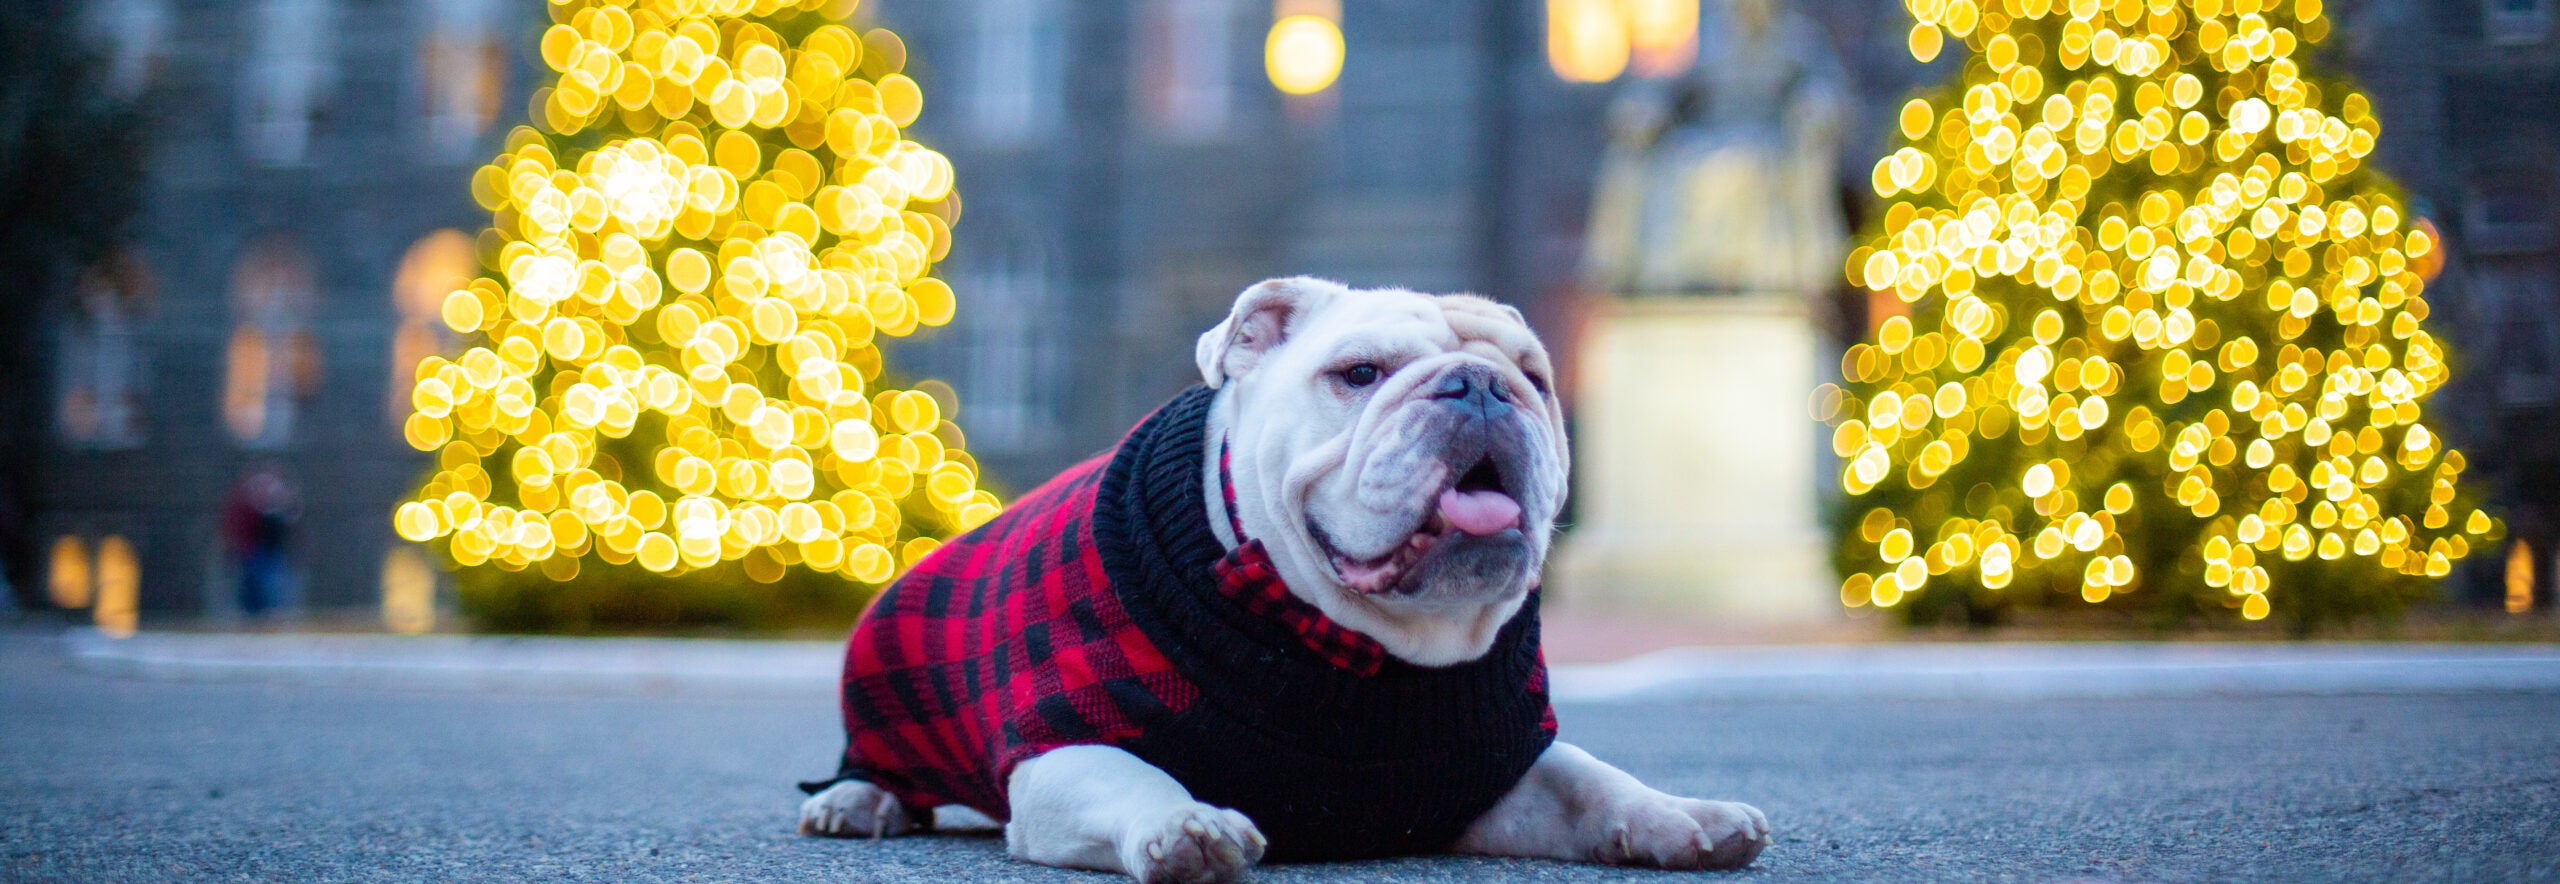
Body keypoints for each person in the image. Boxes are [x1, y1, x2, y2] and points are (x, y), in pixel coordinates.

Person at [221, 463, 297, 617]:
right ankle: (256, 614)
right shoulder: (248, 502)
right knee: (256, 585)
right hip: (254, 549)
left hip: (268, 550)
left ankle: (267, 613)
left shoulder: (275, 501)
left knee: (267, 584)